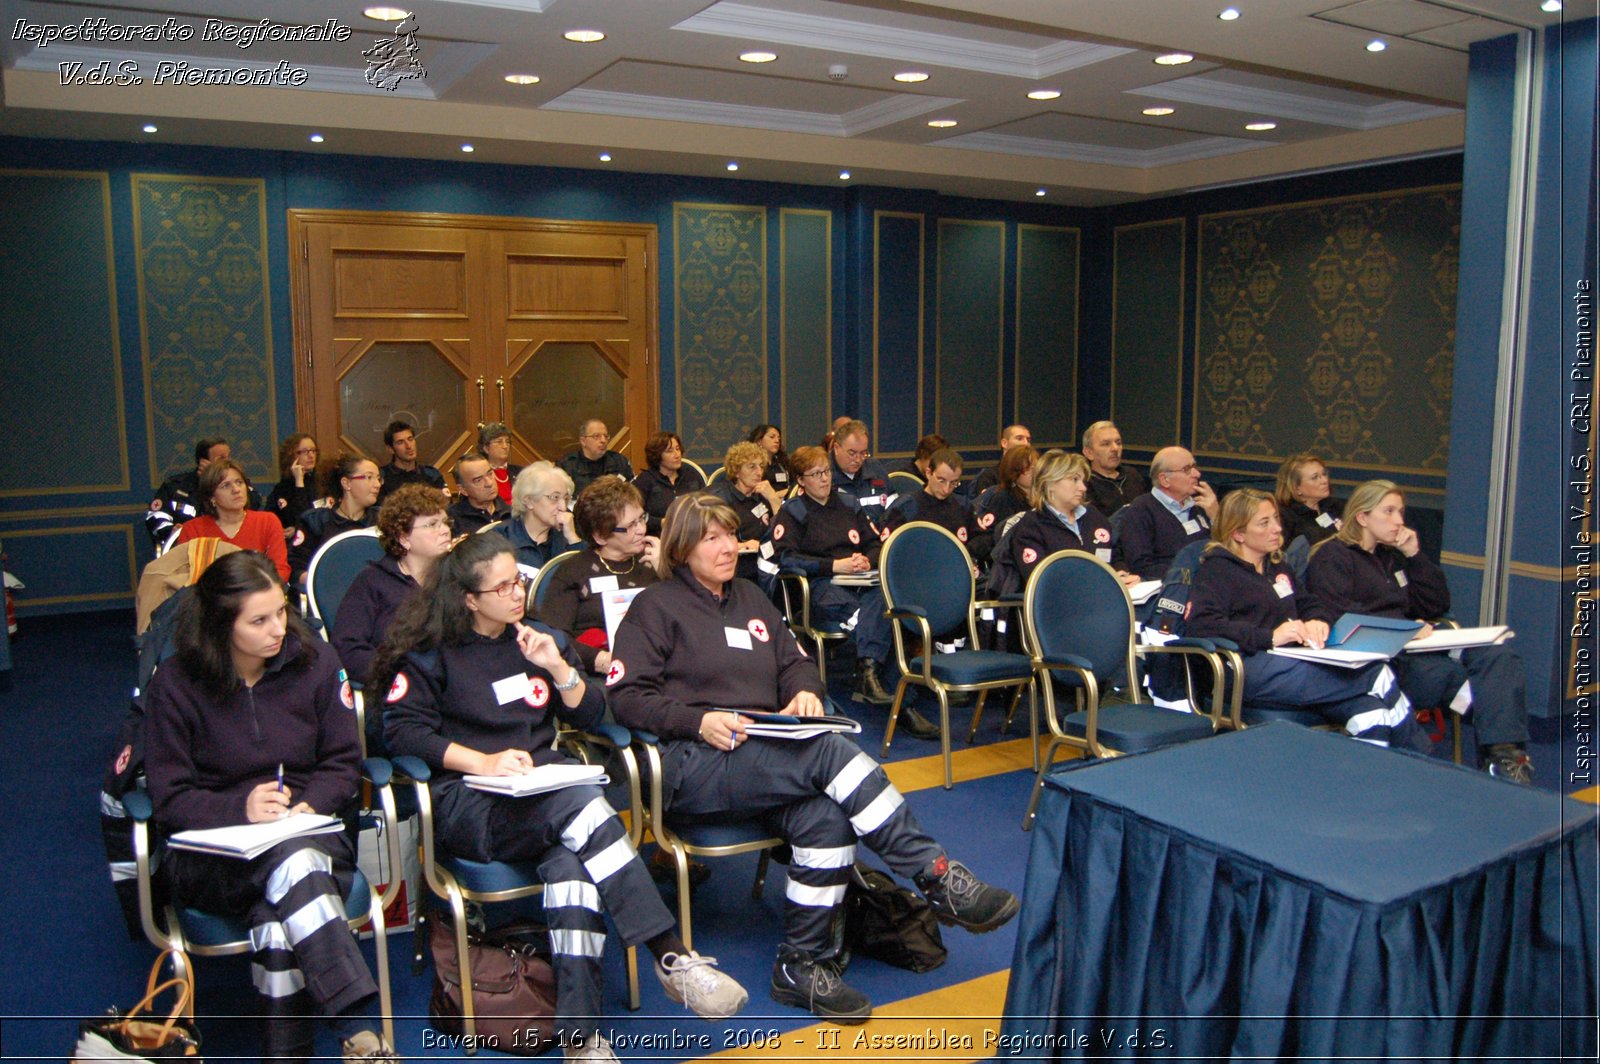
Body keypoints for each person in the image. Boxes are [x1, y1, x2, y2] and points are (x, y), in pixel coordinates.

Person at [606, 494, 1019, 1024]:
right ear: (683, 547)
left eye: (731, 534)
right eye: (711, 538)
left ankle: (802, 966)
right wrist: (697, 720)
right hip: (695, 763)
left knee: (826, 819)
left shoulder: (752, 598)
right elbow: (626, 697)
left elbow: (797, 664)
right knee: (827, 752)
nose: (729, 546)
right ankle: (936, 874)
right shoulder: (655, 607)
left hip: (765, 758)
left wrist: (803, 692)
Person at [378, 535, 746, 1064]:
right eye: (501, 587)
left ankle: (581, 1037)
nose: (517, 593)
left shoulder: (536, 639)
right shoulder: (430, 655)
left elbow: (595, 715)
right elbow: (404, 735)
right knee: (581, 804)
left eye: (519, 580)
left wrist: (560, 669)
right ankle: (672, 955)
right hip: (468, 801)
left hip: (539, 797)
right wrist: (482, 761)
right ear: (468, 599)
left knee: (573, 871)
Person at [142, 552, 396, 1062]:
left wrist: (309, 805)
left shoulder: (315, 661)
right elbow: (170, 796)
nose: (278, 628)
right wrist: (240, 806)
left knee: (283, 905)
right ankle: (355, 1026)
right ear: (220, 624)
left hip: (306, 828)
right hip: (215, 856)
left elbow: (343, 762)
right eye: (259, 620)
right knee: (295, 870)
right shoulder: (175, 682)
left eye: (281, 612)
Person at [1305, 480, 1532, 780]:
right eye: (1388, 511)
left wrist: (1414, 556)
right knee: (1466, 681)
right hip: (1380, 659)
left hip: (1418, 646)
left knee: (1499, 654)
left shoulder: (1392, 556)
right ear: (1362, 517)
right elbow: (1337, 616)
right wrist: (1403, 628)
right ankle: (1504, 760)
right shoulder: (1333, 557)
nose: (1399, 521)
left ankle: (1502, 757)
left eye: (1400, 511)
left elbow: (1435, 605)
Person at [1184, 489, 1422, 748]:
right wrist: (1270, 636)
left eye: (1276, 518)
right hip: (1245, 666)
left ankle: (1371, 781)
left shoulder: (1278, 566)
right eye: (1265, 523)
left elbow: (1309, 602)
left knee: (1372, 711)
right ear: (1238, 533)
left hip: (1295, 660)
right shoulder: (1216, 570)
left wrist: (1317, 619)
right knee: (1376, 674)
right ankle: (1421, 763)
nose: (1277, 528)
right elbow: (1201, 624)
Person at [769, 447, 936, 734]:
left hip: (860, 581)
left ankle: (872, 675)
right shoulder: (793, 512)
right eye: (816, 474)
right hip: (822, 588)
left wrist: (865, 560)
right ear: (801, 479)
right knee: (887, 624)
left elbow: (874, 542)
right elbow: (786, 558)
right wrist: (835, 565)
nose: (824, 479)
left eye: (826, 472)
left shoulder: (849, 503)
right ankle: (899, 702)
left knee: (888, 607)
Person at [332, 484, 454, 688]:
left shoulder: (456, 577)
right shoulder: (372, 582)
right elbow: (348, 647)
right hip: (397, 688)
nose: (445, 531)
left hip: (452, 686)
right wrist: (399, 675)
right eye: (432, 524)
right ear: (404, 538)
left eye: (445, 522)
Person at [537, 477, 660, 677]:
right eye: (630, 526)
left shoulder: (653, 561)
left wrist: (666, 571)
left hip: (656, 664)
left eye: (641, 519)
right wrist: (600, 660)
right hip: (599, 672)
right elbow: (554, 637)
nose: (641, 529)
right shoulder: (573, 572)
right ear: (601, 536)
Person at [1001, 451, 1139, 589]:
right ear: (1050, 484)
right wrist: (1102, 582)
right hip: (1063, 604)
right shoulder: (1031, 527)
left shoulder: (1093, 516)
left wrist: (1121, 573)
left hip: (1105, 597)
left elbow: (1114, 555)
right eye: (1074, 480)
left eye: (1083, 481)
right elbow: (1041, 580)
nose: (1083, 488)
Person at [175, 458, 289, 581]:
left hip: (258, 594)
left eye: (239, 482)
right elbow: (184, 577)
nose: (236, 490)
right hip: (210, 597)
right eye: (225, 486)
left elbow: (280, 571)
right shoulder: (193, 530)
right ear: (211, 497)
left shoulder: (267, 522)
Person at [1117, 446, 1219, 579]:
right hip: (1169, 589)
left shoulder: (1203, 505)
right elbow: (1142, 567)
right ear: (1165, 480)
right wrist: (1189, 576)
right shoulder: (1140, 511)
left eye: (1195, 467)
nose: (1197, 474)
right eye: (1187, 469)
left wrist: (1216, 517)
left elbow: (1228, 550)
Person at [147, 436, 263, 547]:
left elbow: (254, 502)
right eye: (221, 459)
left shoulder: (238, 482)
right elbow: (156, 516)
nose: (227, 462)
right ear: (203, 462)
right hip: (185, 549)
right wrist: (172, 531)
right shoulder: (175, 486)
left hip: (231, 546)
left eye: (229, 457)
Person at [288, 454, 382, 588]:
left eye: (379, 479)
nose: (377, 484)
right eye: (369, 477)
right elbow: (296, 568)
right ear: (346, 483)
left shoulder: (384, 520)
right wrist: (325, 581)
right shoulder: (315, 522)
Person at [881, 448, 990, 561]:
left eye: (953, 483)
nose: (946, 489)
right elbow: (888, 549)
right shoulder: (905, 507)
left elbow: (984, 539)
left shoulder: (962, 506)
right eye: (941, 480)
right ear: (928, 473)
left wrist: (964, 553)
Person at [709, 440, 782, 583]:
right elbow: (711, 539)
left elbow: (784, 530)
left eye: (761, 466)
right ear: (736, 471)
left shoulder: (764, 494)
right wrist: (741, 545)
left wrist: (774, 499)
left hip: (767, 559)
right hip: (739, 562)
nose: (759, 472)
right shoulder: (721, 497)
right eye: (752, 467)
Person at [497, 462, 575, 575]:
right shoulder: (500, 539)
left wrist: (573, 539)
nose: (563, 507)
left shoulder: (569, 532)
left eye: (566, 499)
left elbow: (588, 581)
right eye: (554, 498)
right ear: (529, 501)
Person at [971, 444, 1038, 559]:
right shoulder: (1003, 498)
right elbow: (991, 539)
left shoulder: (1044, 497)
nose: (1033, 472)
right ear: (1014, 471)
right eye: (1027, 469)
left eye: (1035, 467)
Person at [632, 431, 704, 537]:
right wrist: (661, 522)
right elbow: (635, 516)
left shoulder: (691, 474)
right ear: (657, 455)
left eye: (677, 449)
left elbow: (707, 504)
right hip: (659, 536)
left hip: (694, 534)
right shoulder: (645, 481)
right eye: (669, 451)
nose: (677, 455)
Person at [828, 419, 897, 526]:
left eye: (863, 453)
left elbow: (894, 511)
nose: (858, 459)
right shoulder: (822, 475)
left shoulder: (876, 470)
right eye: (852, 453)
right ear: (836, 448)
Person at [1275, 452, 1344, 548]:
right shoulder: (1285, 517)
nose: (1324, 480)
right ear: (1296, 488)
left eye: (1324, 474)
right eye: (1315, 477)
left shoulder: (1336, 506)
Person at [1082, 421, 1149, 518]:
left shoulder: (1132, 475)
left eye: (1118, 443)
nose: (1115, 448)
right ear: (1089, 453)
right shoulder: (1084, 482)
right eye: (1106, 444)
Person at [264, 434, 323, 528]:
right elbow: (271, 519)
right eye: (304, 452)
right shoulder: (282, 488)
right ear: (291, 455)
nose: (311, 455)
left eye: (313, 450)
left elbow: (308, 517)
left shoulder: (322, 482)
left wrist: (299, 483)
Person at [559, 419, 633, 495]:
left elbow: (631, 491)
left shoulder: (619, 461)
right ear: (583, 441)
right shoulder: (567, 465)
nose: (603, 440)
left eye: (606, 436)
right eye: (596, 436)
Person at [378, 420, 446, 499]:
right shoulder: (382, 476)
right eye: (400, 442)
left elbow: (444, 505)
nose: (408, 446)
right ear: (390, 449)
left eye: (410, 439)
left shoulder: (432, 474)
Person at [447, 453, 511, 534]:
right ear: (463, 489)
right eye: (478, 480)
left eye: (490, 474)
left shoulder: (512, 512)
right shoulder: (452, 520)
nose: (489, 483)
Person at [963, 424, 1032, 499]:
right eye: (1019, 438)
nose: (1026, 443)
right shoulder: (989, 476)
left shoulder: (1033, 475)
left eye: (1028, 440)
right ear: (1004, 443)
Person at [478, 422, 522, 507]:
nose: (505, 446)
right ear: (486, 448)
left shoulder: (520, 472)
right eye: (499, 442)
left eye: (507, 442)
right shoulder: (480, 476)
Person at [747, 424, 791, 492]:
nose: (777, 441)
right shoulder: (751, 464)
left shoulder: (782, 463)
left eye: (779, 438)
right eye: (772, 437)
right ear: (759, 441)